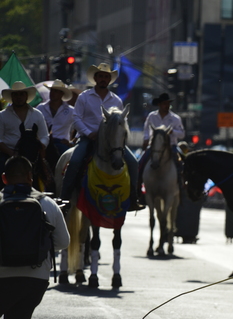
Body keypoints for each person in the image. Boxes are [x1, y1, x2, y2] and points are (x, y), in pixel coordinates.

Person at [0, 156, 69, 319]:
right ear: (31, 178)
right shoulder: (46, 203)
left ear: (4, 178)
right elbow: (63, 242)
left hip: (2, 278)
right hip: (36, 279)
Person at [59, 63, 144, 211]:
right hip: (88, 138)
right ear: (95, 78)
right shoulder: (84, 97)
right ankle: (65, 197)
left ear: (109, 80)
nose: (103, 79)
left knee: (133, 162)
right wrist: (88, 132)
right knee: (75, 160)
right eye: (101, 76)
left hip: (111, 141)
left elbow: (121, 122)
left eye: (106, 77)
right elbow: (76, 118)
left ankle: (133, 197)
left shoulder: (116, 100)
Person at [138, 93, 185, 199]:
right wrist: (146, 139)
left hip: (171, 146)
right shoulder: (152, 116)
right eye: (164, 103)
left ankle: (183, 185)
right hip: (154, 147)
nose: (166, 106)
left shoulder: (175, 118)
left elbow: (182, 134)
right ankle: (137, 187)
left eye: (168, 103)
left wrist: (172, 131)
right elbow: (146, 130)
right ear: (159, 104)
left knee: (182, 163)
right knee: (141, 162)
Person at [0, 82, 50, 177]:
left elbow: (44, 136)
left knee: (48, 174)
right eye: (16, 94)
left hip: (32, 154)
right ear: (12, 97)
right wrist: (12, 153)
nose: (19, 97)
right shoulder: (2, 115)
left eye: (22, 94)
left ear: (26, 96)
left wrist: (39, 147)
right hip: (8, 153)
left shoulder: (37, 114)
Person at [36, 80, 74, 156]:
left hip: (61, 142)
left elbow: (81, 126)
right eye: (52, 90)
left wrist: (71, 142)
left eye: (56, 91)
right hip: (43, 142)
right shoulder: (41, 108)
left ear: (61, 94)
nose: (52, 93)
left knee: (70, 160)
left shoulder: (71, 110)